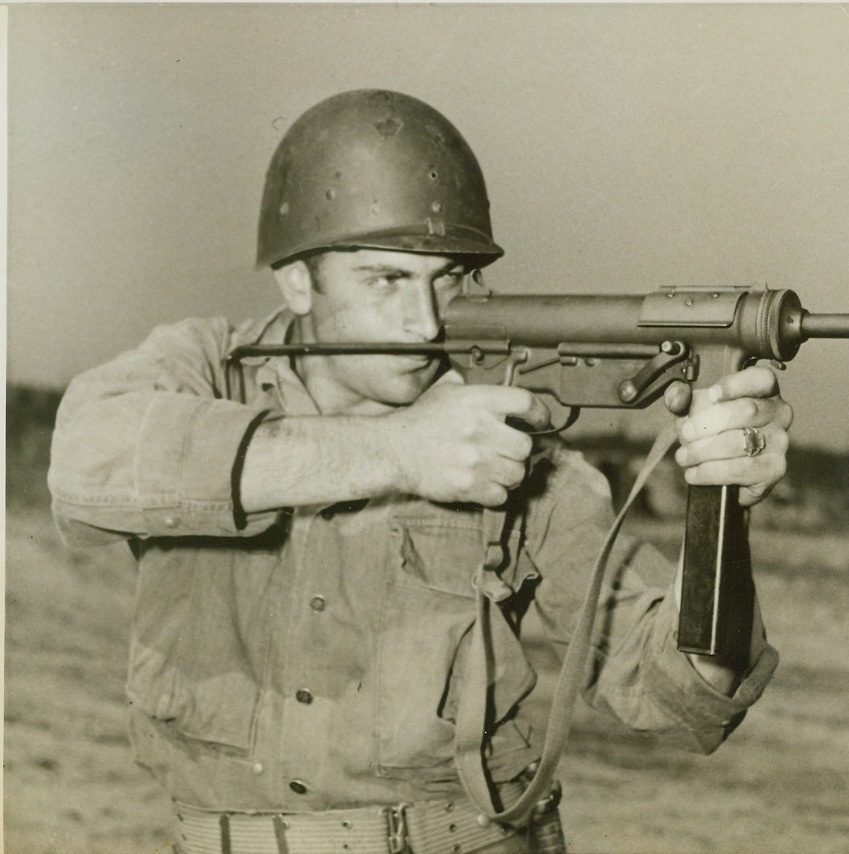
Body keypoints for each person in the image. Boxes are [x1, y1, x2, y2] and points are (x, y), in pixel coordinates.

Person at [48, 89, 793, 854]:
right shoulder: (205, 369)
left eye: (448, 279)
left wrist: (722, 498)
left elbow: (682, 692)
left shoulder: (503, 437)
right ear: (297, 280)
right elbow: (84, 463)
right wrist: (399, 452)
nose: (427, 323)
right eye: (386, 280)